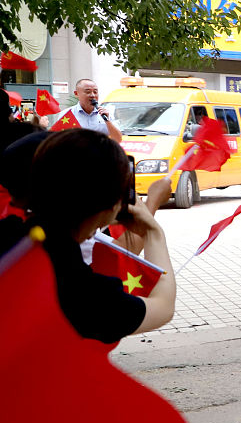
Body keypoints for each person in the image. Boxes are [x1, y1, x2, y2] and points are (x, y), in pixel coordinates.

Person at [0, 129, 176, 344]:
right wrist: (153, 232)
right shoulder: (79, 290)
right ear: (110, 206)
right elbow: (162, 307)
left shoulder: (12, 237)